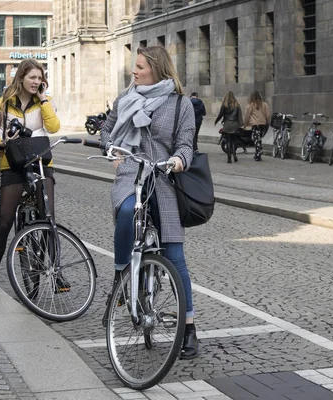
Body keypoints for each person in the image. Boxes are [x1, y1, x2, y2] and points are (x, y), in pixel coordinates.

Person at [100, 45, 199, 360]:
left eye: (140, 66)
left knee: (175, 256)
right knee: (128, 211)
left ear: (156, 68)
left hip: (164, 178)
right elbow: (106, 131)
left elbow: (186, 144)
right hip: (132, 173)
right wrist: (112, 152)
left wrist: (178, 161)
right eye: (135, 66)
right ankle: (120, 278)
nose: (134, 71)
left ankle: (189, 327)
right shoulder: (125, 98)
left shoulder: (181, 103)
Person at [0, 59, 61, 295]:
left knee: (49, 217)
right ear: (21, 78)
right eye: (32, 78)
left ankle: (54, 270)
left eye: (40, 78)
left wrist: (44, 100)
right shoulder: (1, 105)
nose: (37, 82)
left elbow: (54, 127)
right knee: (5, 221)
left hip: (41, 163)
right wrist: (2, 144)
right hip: (12, 165)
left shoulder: (44, 102)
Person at [214, 91, 242, 163]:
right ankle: (235, 156)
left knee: (228, 141)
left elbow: (220, 114)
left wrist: (216, 121)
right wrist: (240, 124)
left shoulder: (224, 105)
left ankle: (229, 158)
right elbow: (239, 116)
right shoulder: (237, 105)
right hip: (235, 124)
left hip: (227, 124)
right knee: (234, 141)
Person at [243, 91, 271, 161]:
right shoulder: (264, 104)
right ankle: (258, 153)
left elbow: (247, 116)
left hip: (255, 124)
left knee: (256, 139)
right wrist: (267, 122)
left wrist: (245, 124)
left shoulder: (250, 106)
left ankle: (258, 152)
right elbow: (268, 115)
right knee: (258, 139)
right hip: (263, 124)